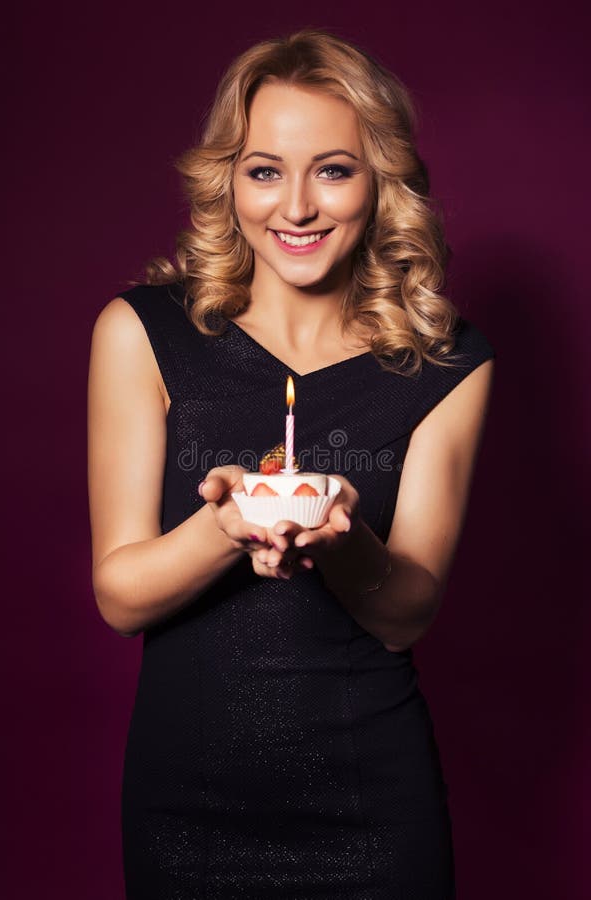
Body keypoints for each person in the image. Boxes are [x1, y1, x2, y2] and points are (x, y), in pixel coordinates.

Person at [87, 28, 495, 898]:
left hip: (370, 807)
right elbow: (121, 596)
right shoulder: (143, 334)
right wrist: (226, 528)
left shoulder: (448, 363)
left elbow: (406, 615)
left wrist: (338, 541)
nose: (297, 207)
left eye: (335, 169)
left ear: (381, 181)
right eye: (266, 170)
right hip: (186, 806)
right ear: (227, 180)